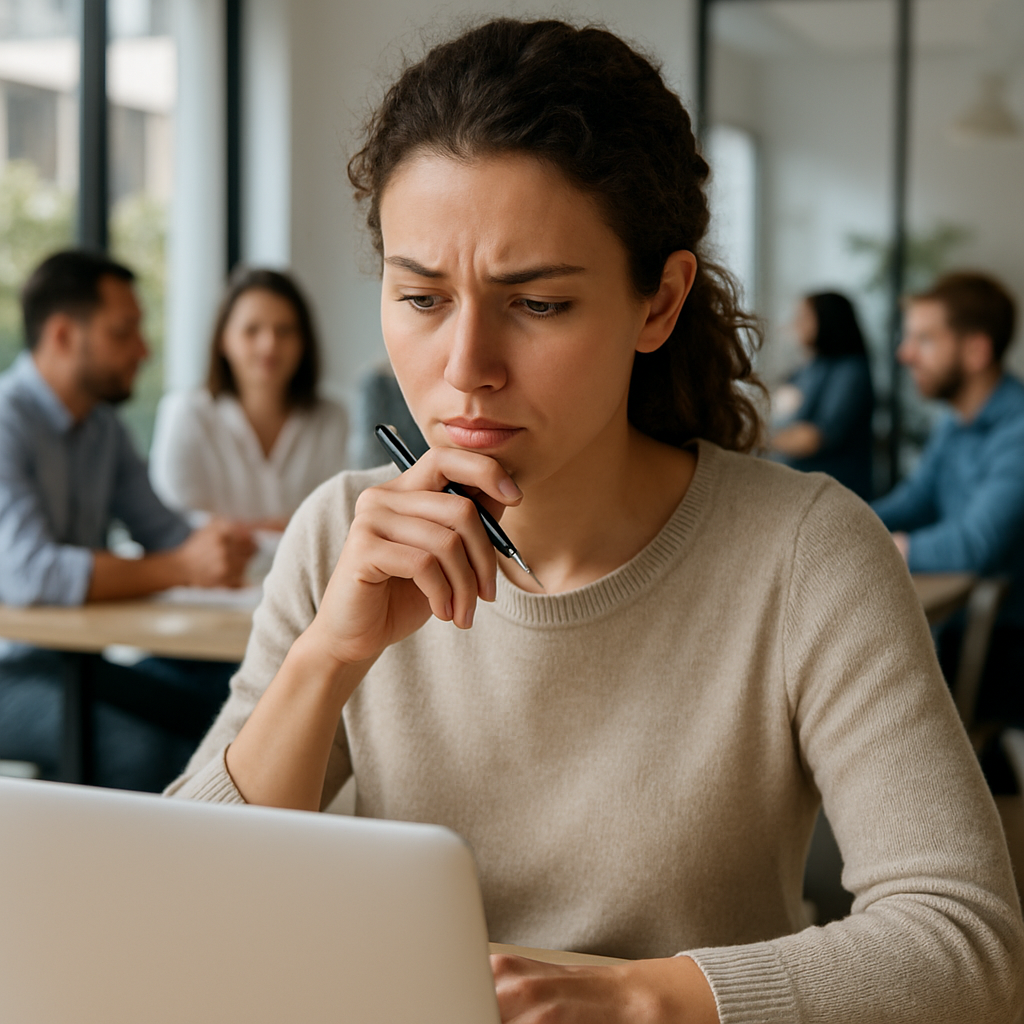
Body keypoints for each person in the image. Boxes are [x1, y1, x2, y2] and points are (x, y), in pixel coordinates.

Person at [166, 20, 1023, 1023]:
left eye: (535, 304)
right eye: (421, 296)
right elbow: (182, 906)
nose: (464, 366)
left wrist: (647, 1000)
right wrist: (325, 659)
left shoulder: (804, 552)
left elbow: (966, 940)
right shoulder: (341, 532)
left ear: (657, 304)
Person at [0, 249, 255, 791]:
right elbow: (30, 575)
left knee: (223, 705)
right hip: (11, 671)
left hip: (74, 661)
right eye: (125, 332)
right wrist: (185, 566)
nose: (144, 350)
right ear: (64, 335)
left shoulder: (102, 430)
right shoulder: (5, 421)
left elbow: (165, 534)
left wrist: (214, 549)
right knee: (138, 750)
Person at [873, 271, 1024, 733]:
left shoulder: (1017, 429)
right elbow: (915, 499)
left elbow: (977, 543)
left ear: (976, 351)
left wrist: (894, 548)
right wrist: (843, 522)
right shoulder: (956, 421)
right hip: (966, 628)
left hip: (1005, 641)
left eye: (924, 339)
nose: (905, 353)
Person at [149, 267, 348, 532]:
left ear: (304, 342)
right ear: (223, 339)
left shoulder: (332, 418)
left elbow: (341, 515)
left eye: (285, 330)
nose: (269, 345)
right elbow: (173, 521)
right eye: (251, 330)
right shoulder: (185, 413)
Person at [770, 291, 875, 499]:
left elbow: (816, 438)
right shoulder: (810, 368)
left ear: (827, 320)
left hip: (835, 492)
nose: (795, 324)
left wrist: (756, 439)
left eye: (803, 317)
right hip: (796, 487)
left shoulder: (850, 372)